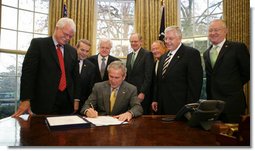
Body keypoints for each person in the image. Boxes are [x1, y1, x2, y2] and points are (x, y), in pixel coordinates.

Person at [12, 17, 80, 117]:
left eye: (71, 36)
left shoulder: (72, 51)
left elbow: (76, 77)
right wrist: (26, 99)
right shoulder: (38, 45)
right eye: (66, 34)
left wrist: (76, 99)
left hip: (67, 102)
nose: (67, 38)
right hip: (44, 102)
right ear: (57, 28)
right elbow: (28, 74)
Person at [203, 19, 250, 123]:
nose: (213, 33)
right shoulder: (206, 53)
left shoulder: (237, 48)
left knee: (233, 137)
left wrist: (232, 85)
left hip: (232, 103)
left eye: (216, 30)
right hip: (213, 105)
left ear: (226, 31)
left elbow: (247, 72)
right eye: (210, 30)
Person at [152, 26, 203, 115]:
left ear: (179, 38)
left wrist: (189, 107)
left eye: (171, 38)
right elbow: (159, 81)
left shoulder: (191, 54)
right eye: (166, 38)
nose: (167, 41)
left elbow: (195, 84)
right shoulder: (163, 57)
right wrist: (156, 99)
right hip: (162, 107)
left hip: (180, 107)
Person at [125, 33, 154, 114]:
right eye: (131, 42)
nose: (133, 43)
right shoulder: (129, 56)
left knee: (142, 116)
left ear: (141, 42)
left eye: (135, 41)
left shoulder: (147, 54)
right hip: (130, 92)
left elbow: (148, 76)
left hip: (141, 93)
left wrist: (143, 92)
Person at [76, 39, 96, 113]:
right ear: (76, 48)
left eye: (87, 51)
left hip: (82, 106)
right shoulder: (67, 61)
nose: (84, 53)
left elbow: (90, 89)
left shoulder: (91, 67)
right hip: (65, 104)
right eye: (82, 50)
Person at [150, 40, 167, 114]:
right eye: (153, 49)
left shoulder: (168, 62)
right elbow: (155, 84)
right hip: (159, 101)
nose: (155, 51)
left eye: (157, 48)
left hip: (170, 101)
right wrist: (154, 99)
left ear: (164, 48)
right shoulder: (155, 63)